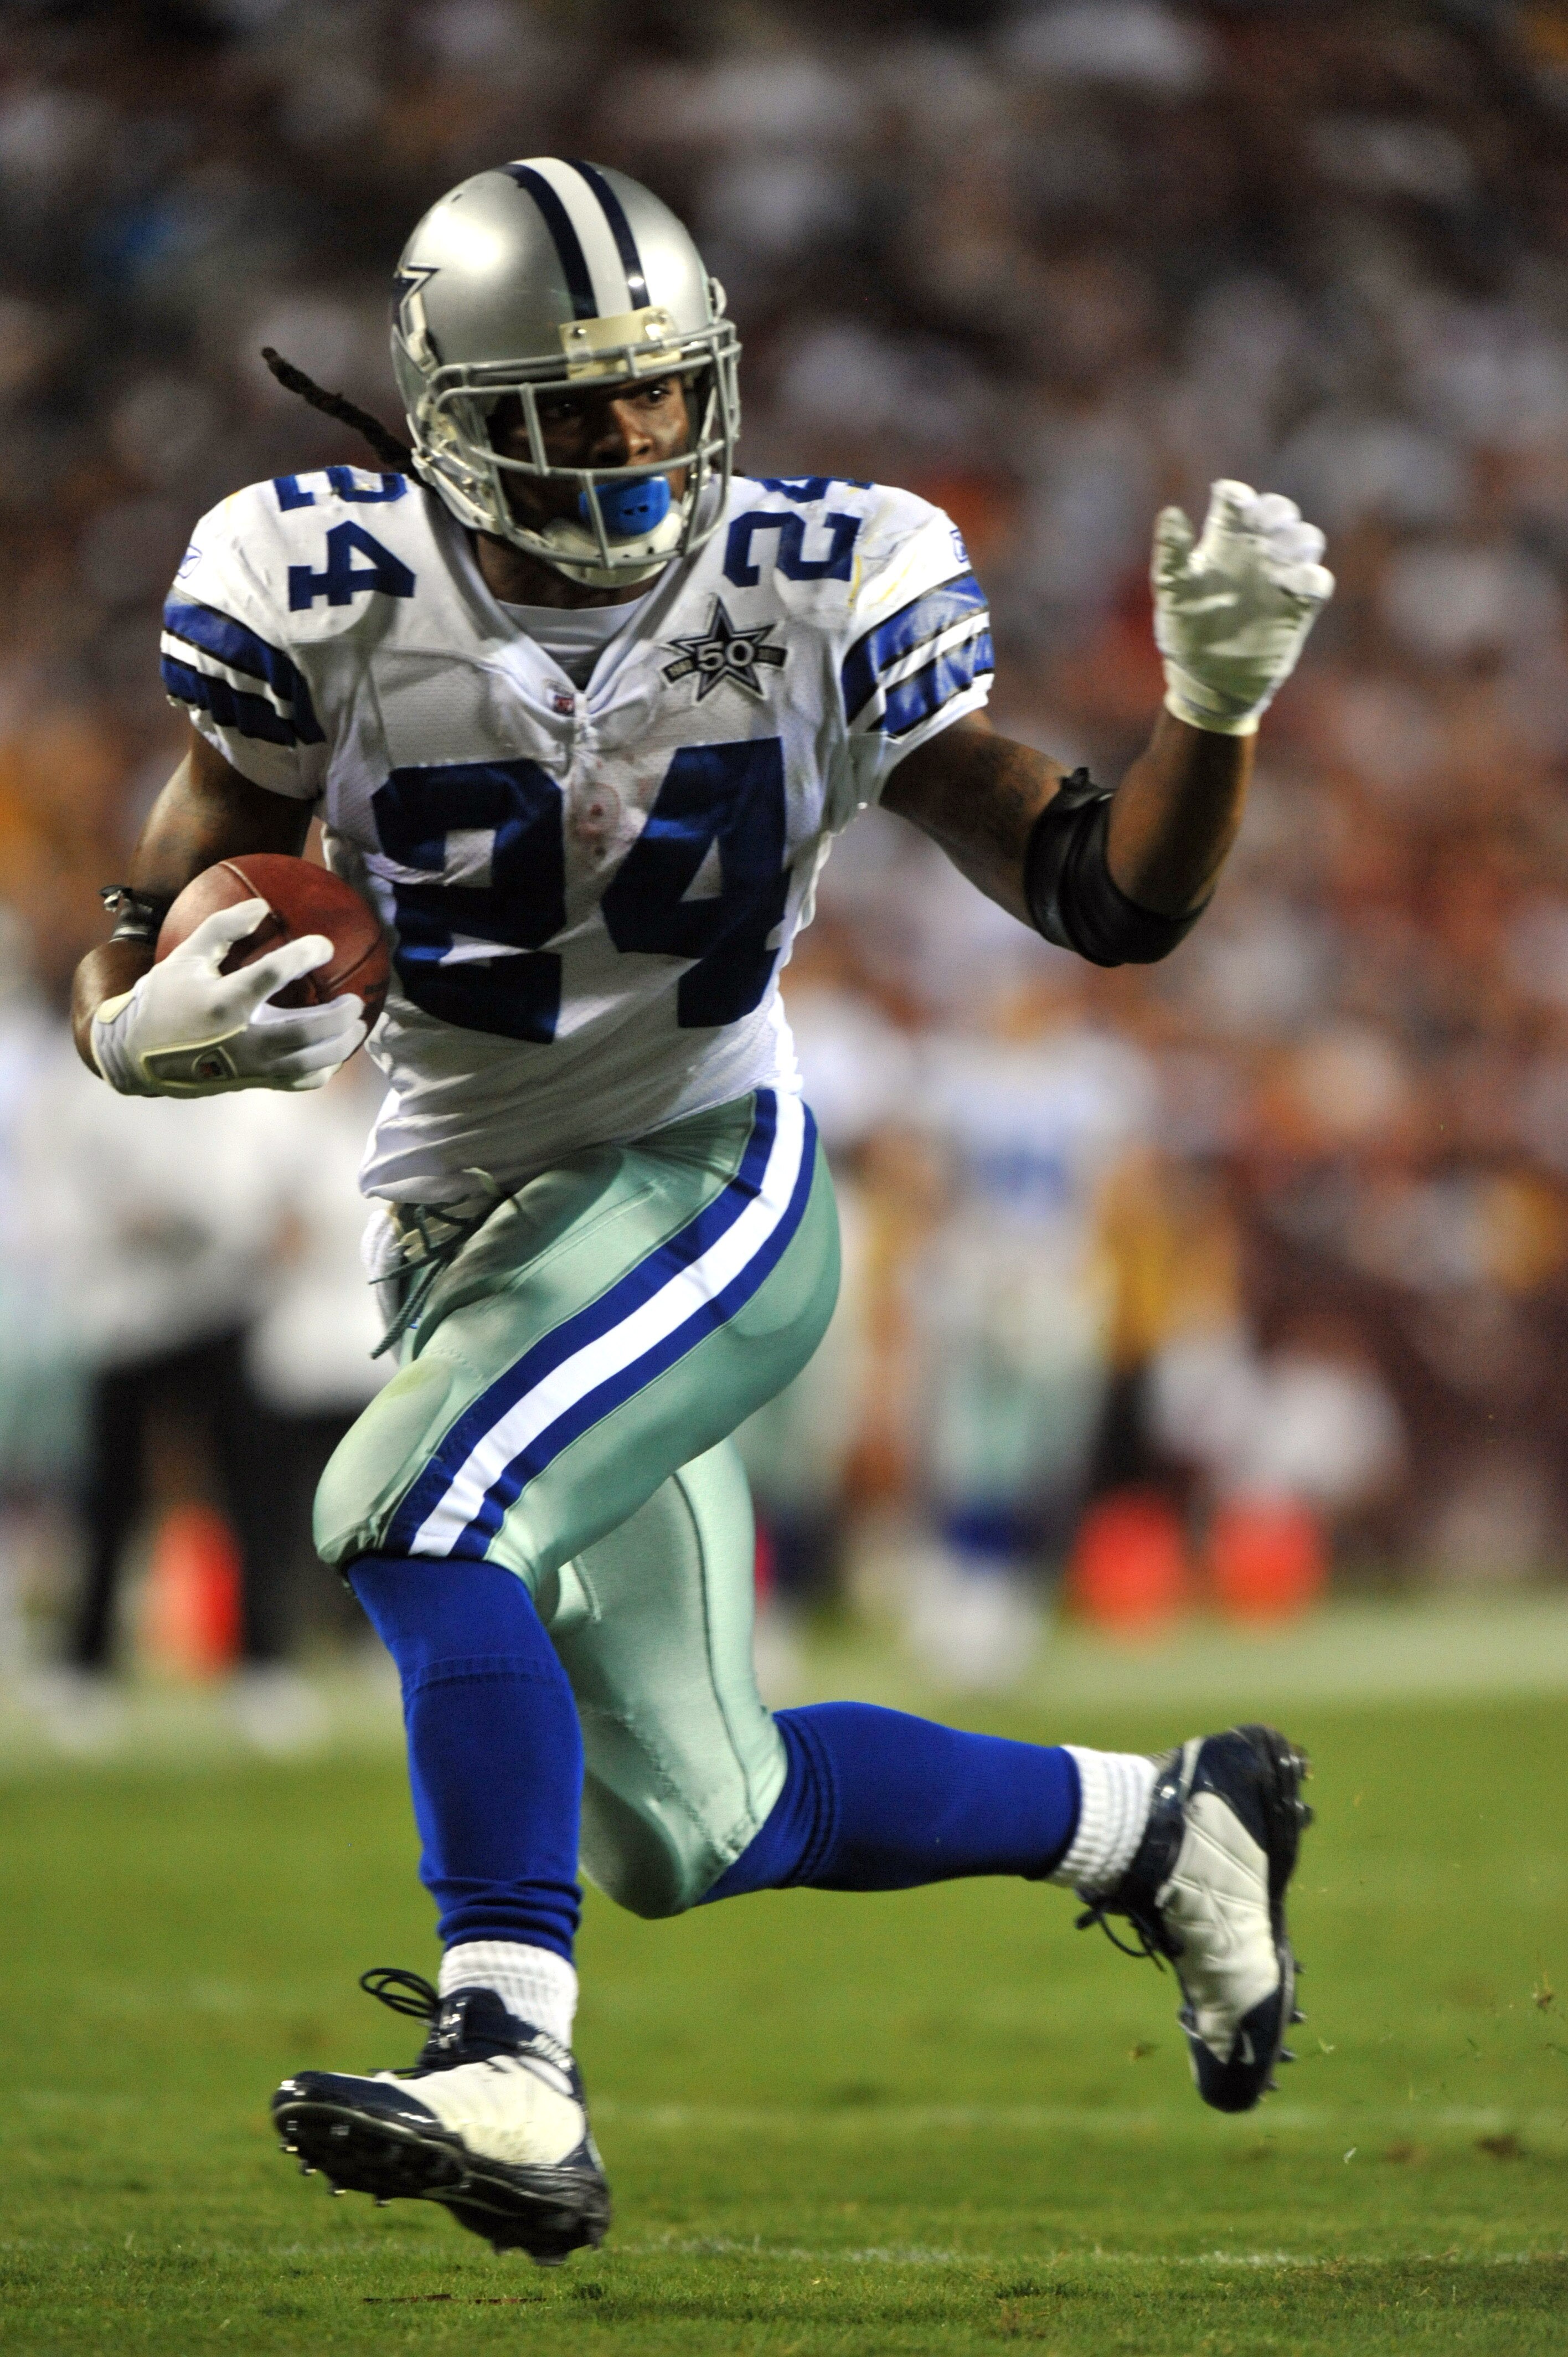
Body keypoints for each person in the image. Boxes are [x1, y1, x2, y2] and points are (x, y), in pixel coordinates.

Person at [70, 160, 1331, 2266]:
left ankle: (509, 2055)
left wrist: (1215, 716)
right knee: (704, 1822)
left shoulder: (825, 576)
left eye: (665, 394)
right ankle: (1161, 1824)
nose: (643, 442)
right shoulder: (319, 583)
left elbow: (1110, 897)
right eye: (584, 406)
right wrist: (134, 1031)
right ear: (453, 406)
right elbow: (138, 918)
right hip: (466, 1226)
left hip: (703, 1180)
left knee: (411, 1513)